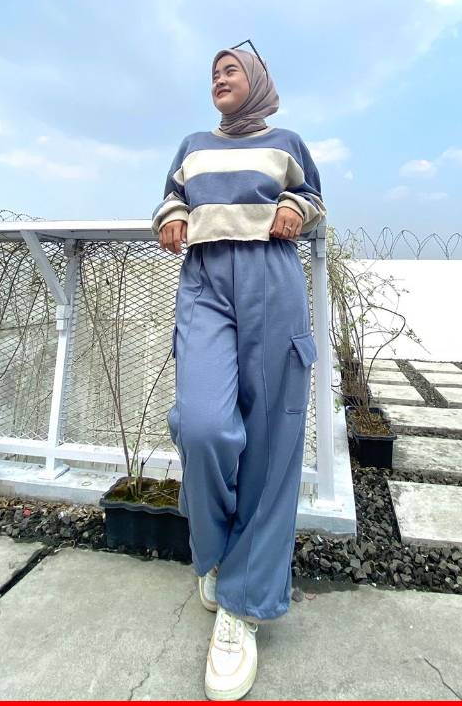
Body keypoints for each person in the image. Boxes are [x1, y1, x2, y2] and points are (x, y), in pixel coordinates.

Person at [151, 44, 327, 701]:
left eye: (231, 71)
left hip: (271, 277)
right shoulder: (193, 146)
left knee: (273, 441)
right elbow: (170, 200)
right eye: (214, 73)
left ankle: (242, 603)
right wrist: (172, 217)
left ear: (255, 82)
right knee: (202, 424)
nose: (220, 79)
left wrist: (296, 210)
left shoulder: (287, 143)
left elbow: (312, 197)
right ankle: (218, 551)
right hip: (204, 281)